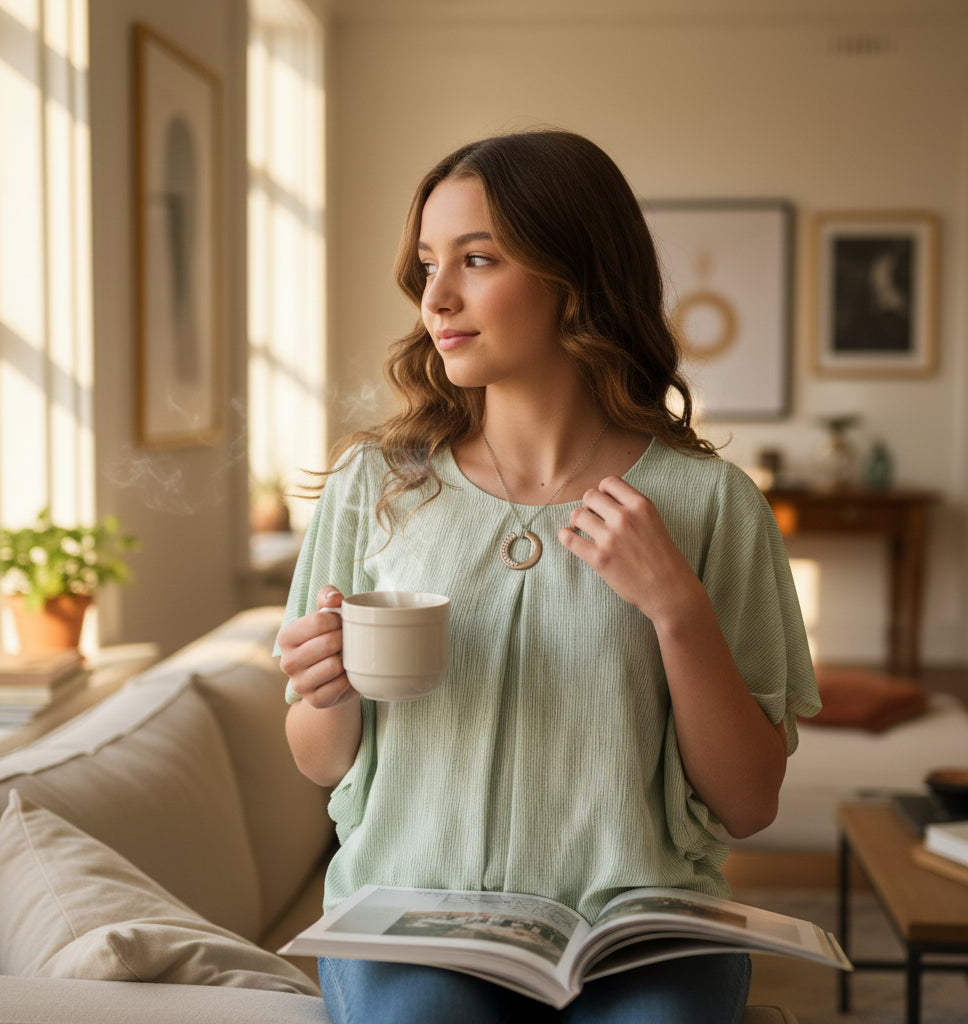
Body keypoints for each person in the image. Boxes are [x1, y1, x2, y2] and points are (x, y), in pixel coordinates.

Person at [275, 128, 820, 1023]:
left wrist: (677, 610)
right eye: (427, 265)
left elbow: (749, 801)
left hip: (641, 928)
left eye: (477, 259)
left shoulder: (712, 503)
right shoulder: (374, 486)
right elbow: (319, 760)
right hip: (414, 920)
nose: (436, 298)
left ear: (579, 279)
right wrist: (324, 690)